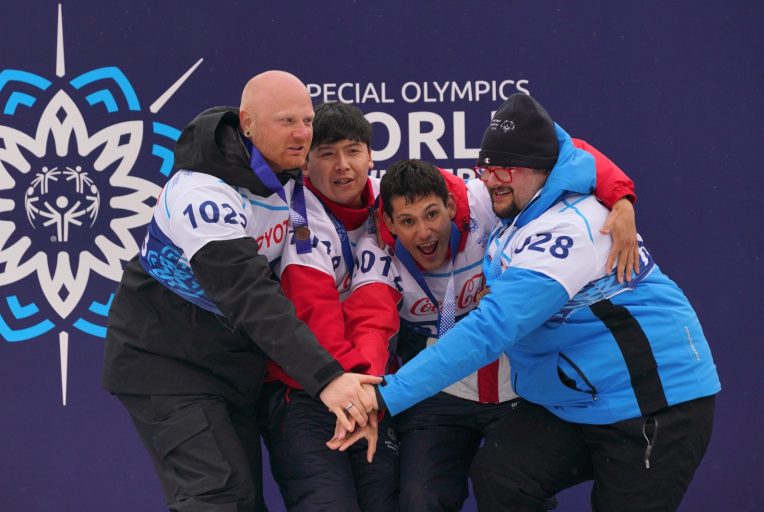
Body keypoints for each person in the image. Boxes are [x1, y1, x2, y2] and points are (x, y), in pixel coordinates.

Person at [336, 93, 721, 511]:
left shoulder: (572, 226)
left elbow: (491, 330)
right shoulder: (514, 207)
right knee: (503, 476)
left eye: (508, 168)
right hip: (578, 402)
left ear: (543, 168)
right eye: (487, 167)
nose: (494, 179)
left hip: (653, 403)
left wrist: (384, 395)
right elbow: (569, 146)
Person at [102, 71, 379, 512]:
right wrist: (327, 377)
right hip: (166, 364)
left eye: (307, 121)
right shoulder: (201, 191)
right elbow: (250, 296)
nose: (302, 133)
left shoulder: (285, 174)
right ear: (247, 123)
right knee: (217, 498)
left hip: (228, 369)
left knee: (242, 501)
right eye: (287, 121)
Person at [341, 153, 634, 512]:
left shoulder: (482, 200)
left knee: (508, 489)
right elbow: (371, 324)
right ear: (389, 222)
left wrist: (621, 198)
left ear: (450, 205)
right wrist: (367, 395)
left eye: (432, 214)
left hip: (516, 386)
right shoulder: (378, 250)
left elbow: (567, 155)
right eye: (407, 221)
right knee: (420, 500)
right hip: (438, 391)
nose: (424, 232)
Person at [260, 101, 399, 511]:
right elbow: (312, 311)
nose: (343, 165)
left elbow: (375, 315)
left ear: (371, 156)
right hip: (301, 389)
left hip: (368, 387)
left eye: (353, 151)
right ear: (305, 162)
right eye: (326, 153)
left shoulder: (391, 210)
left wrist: (366, 391)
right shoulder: (291, 211)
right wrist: (353, 390)